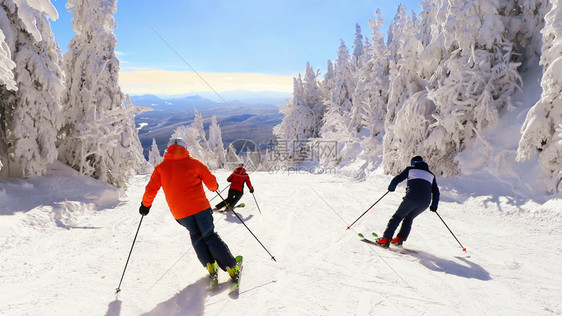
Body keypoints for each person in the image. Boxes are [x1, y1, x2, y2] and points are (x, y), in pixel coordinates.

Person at [140, 137, 239, 282]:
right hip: (200, 209)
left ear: (168, 150)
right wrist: (215, 187)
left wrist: (145, 206)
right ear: (185, 148)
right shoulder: (194, 163)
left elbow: (150, 190)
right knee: (209, 236)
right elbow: (211, 184)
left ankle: (210, 266)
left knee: (196, 236)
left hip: (180, 214)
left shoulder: (160, 168)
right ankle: (231, 266)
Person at [376, 155, 440, 248]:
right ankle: (399, 239)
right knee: (409, 218)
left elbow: (398, 178)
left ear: (413, 163)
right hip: (425, 202)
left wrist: (391, 187)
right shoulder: (431, 175)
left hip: (412, 198)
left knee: (397, 217)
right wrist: (434, 205)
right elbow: (436, 191)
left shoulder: (411, 169)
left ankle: (385, 239)